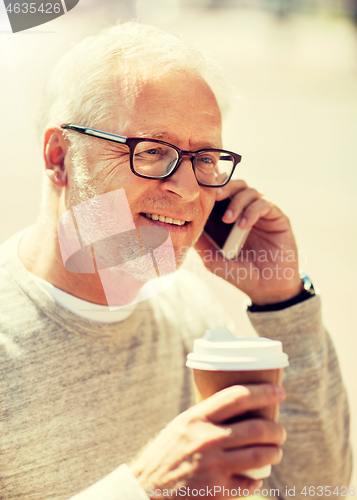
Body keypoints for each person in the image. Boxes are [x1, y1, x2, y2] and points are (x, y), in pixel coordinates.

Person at [0, 22, 352, 500]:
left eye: (205, 159)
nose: (187, 189)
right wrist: (144, 488)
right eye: (152, 151)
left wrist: (282, 302)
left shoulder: (190, 311)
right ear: (60, 157)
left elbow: (314, 490)